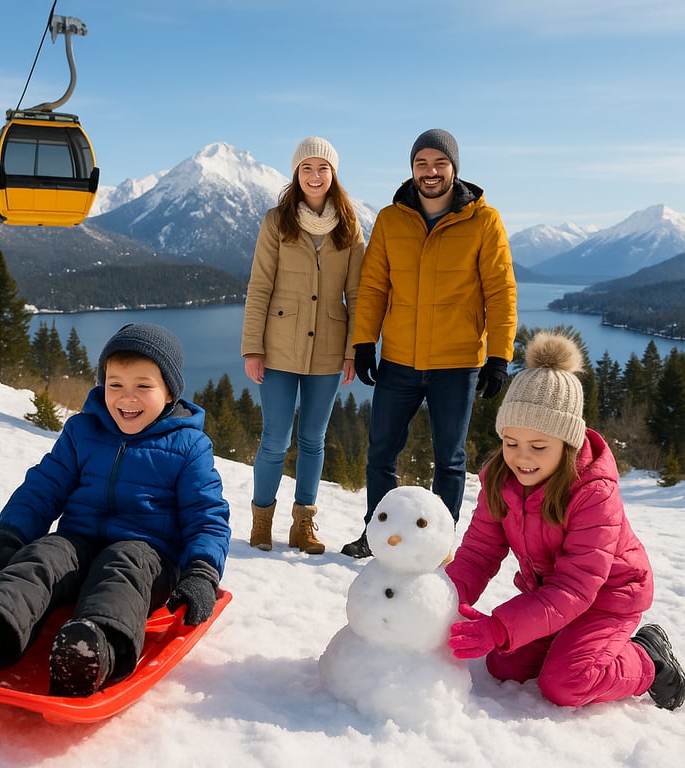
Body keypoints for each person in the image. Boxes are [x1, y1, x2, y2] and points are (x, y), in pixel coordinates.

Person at [0, 323, 231, 698]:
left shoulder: (189, 446)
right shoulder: (83, 431)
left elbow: (207, 515)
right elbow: (43, 487)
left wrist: (201, 572)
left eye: (143, 386)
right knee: (44, 554)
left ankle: (94, 653)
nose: (126, 398)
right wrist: (8, 536)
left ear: (168, 394)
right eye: (115, 384)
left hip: (150, 557)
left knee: (123, 563)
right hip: (78, 542)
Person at [445, 332, 685, 710]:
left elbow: (576, 586)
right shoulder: (500, 480)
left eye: (538, 446)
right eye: (511, 443)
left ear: (567, 444)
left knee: (566, 683)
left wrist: (501, 626)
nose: (522, 458)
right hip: (550, 596)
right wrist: (439, 605)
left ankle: (648, 658)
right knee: (503, 664)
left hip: (609, 598)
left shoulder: (593, 492)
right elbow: (477, 554)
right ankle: (571, 645)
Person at [342, 128, 517, 558]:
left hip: (457, 363)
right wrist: (365, 342)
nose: (430, 171)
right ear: (412, 170)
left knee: (450, 460)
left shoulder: (484, 220)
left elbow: (500, 290)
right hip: (399, 360)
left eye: (439, 163)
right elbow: (373, 286)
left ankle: (440, 544)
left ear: (454, 168)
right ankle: (376, 533)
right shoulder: (390, 218)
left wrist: (499, 355)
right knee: (380, 452)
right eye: (421, 163)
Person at [241, 136, 365, 554]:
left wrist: (353, 351)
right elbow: (259, 287)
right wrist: (251, 348)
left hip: (329, 350)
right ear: (297, 173)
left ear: (334, 175)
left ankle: (303, 526)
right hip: (277, 347)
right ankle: (262, 522)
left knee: (314, 439)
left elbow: (358, 296)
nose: (315, 176)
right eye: (307, 168)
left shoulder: (349, 226)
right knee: (275, 439)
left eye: (323, 168)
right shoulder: (277, 221)